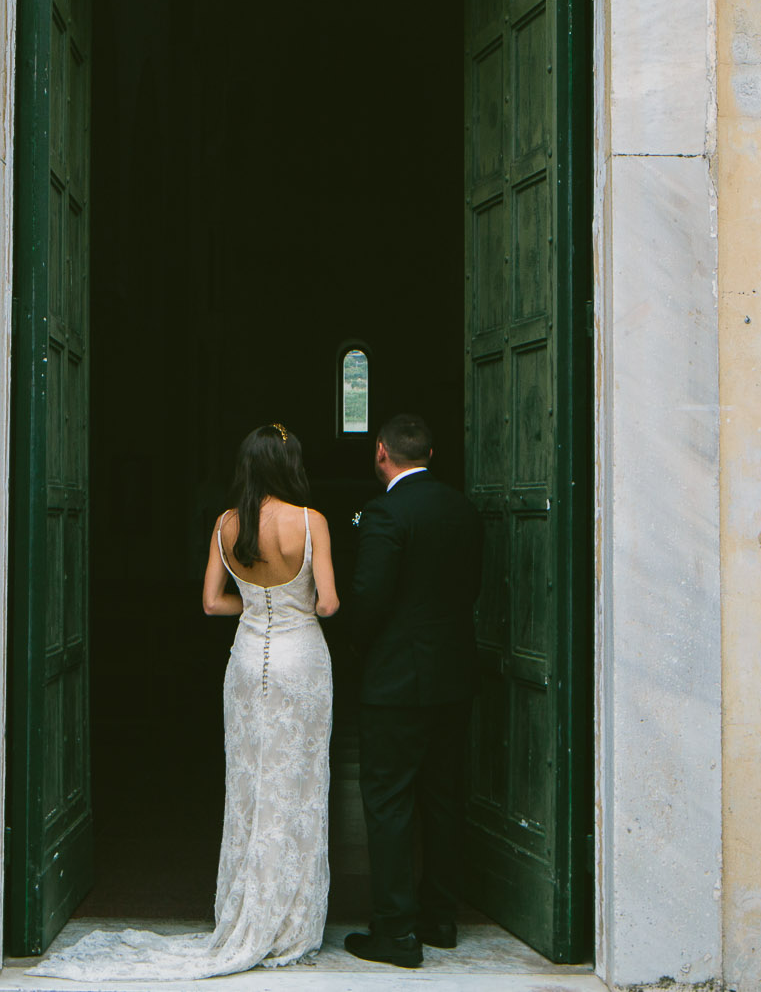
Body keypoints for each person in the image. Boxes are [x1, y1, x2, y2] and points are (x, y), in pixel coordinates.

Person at [31, 423, 340, 981]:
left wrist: (254, 608)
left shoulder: (225, 524)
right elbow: (330, 604)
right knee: (297, 785)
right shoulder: (309, 521)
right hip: (302, 663)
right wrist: (297, 605)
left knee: (248, 786)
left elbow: (209, 603)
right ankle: (289, 924)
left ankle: (243, 913)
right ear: (288, 466)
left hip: (247, 661)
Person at [343, 413, 485, 969]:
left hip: (397, 680)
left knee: (389, 801)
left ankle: (397, 932)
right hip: (454, 676)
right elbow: (469, 588)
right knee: (443, 796)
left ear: (381, 452)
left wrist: (357, 647)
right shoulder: (462, 507)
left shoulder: (385, 511)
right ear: (430, 452)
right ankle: (439, 919)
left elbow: (369, 597)